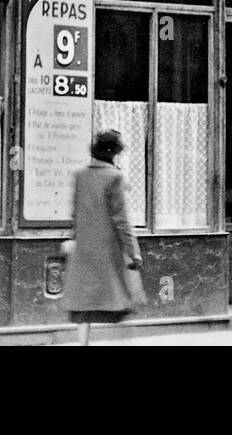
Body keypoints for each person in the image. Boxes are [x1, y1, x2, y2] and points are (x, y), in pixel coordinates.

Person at [63, 129, 143, 346]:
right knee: (120, 298)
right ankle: (127, 341)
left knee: (84, 300)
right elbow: (122, 218)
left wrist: (73, 238)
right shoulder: (114, 176)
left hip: (85, 246)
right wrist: (133, 251)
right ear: (114, 153)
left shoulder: (80, 175)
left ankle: (83, 343)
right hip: (108, 247)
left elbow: (75, 212)